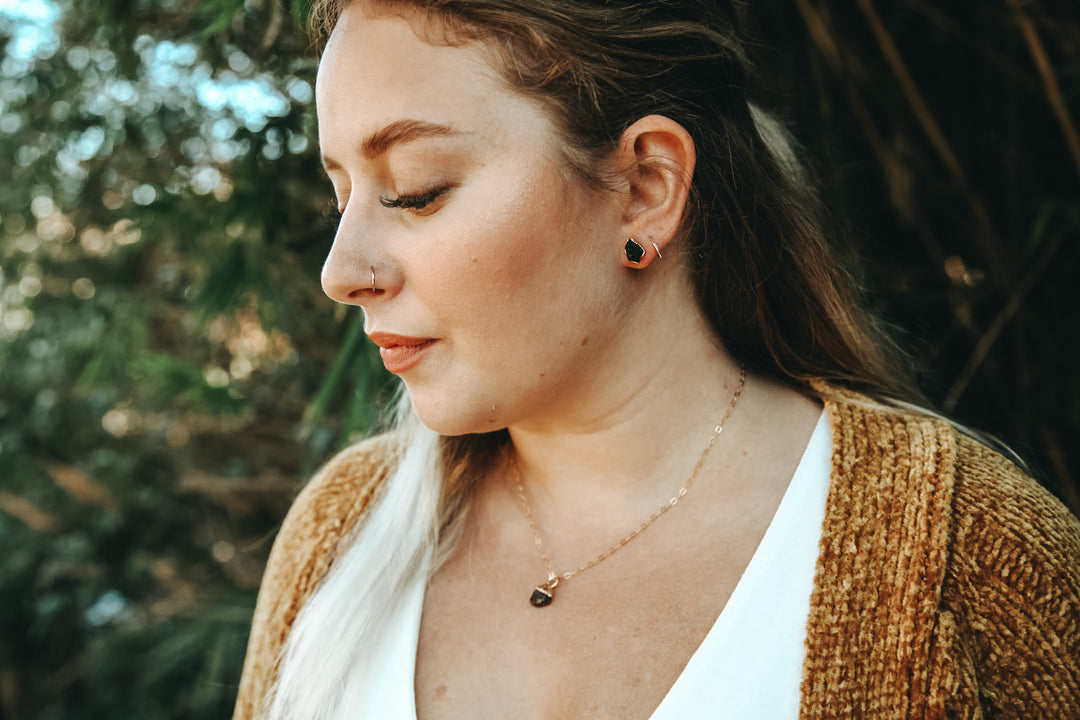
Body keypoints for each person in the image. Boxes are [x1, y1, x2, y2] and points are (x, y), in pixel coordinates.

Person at [233, 1, 1080, 718]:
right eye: (340, 194)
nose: (341, 274)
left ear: (646, 187)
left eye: (415, 189)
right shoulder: (338, 535)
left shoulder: (970, 554)